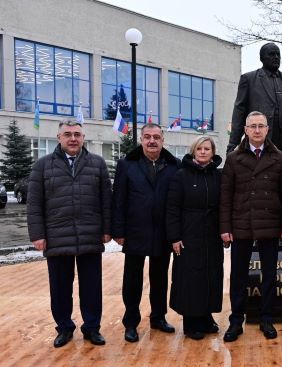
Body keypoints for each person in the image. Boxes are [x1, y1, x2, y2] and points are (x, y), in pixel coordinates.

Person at [27, 119, 112, 348]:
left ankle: (92, 328)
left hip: (89, 236)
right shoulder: (43, 166)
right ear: (59, 138)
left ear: (83, 138)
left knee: (92, 287)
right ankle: (64, 328)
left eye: (77, 134)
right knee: (60, 288)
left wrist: (107, 229)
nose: (73, 138)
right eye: (68, 134)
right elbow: (34, 204)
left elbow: (106, 200)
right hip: (57, 237)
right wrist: (37, 234)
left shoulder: (97, 164)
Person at [220, 111, 282, 342]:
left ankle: (266, 318)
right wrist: (225, 227)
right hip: (241, 224)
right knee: (238, 275)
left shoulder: (278, 157)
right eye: (253, 126)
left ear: (267, 129)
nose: (257, 130)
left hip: (270, 224)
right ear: (246, 130)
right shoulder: (233, 157)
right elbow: (225, 196)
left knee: (269, 274)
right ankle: (236, 320)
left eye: (261, 126)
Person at [111, 123, 182, 343]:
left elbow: (178, 202)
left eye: (156, 137)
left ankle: (158, 317)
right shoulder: (127, 165)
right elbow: (118, 200)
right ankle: (131, 322)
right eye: (147, 137)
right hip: (135, 232)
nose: (152, 141)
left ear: (163, 140)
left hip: (163, 232)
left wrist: (176, 233)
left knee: (160, 279)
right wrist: (118, 230)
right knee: (132, 280)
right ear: (141, 139)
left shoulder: (174, 165)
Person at [166, 137, 224, 340]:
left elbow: (224, 205)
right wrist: (175, 236)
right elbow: (172, 208)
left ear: (212, 151)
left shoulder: (218, 176)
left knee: (210, 275)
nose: (203, 152)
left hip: (212, 235)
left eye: (207, 148)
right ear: (193, 151)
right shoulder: (181, 175)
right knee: (191, 278)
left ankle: (206, 316)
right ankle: (191, 321)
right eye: (199, 148)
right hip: (189, 234)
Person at [227, 42, 282, 161]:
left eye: (278, 54)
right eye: (272, 54)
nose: (276, 57)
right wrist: (233, 144)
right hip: (261, 136)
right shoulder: (249, 79)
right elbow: (239, 111)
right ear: (262, 58)